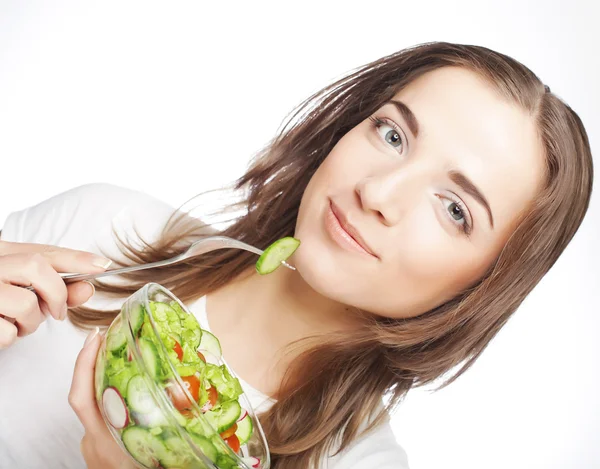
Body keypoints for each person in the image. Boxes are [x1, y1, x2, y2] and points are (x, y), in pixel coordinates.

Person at [0, 41, 594, 469]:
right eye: (392, 135)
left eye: (455, 209)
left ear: (482, 287)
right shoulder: (100, 230)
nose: (378, 193)